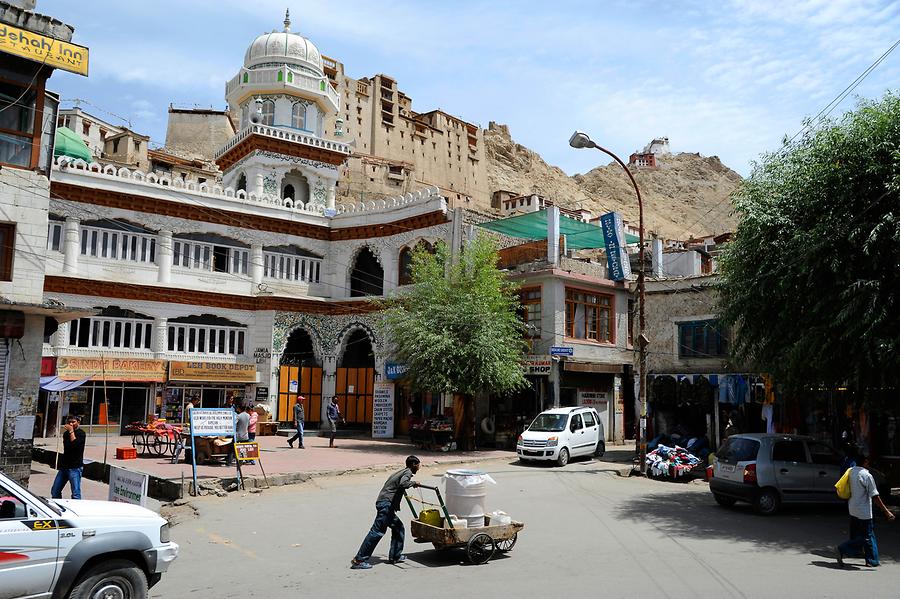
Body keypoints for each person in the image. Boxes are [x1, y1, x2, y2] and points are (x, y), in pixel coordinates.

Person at [351, 456, 421, 569]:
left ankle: (395, 556)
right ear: (413, 464)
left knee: (398, 527)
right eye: (418, 465)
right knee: (377, 531)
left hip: (384, 503)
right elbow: (403, 483)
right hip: (385, 505)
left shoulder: (401, 471)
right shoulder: (407, 472)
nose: (419, 468)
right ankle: (359, 560)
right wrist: (413, 483)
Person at [837, 454, 895, 567]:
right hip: (863, 511)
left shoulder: (851, 471)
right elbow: (875, 496)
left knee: (868, 534)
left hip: (853, 508)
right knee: (866, 537)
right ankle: (842, 548)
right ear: (866, 462)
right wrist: (886, 511)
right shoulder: (866, 475)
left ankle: (872, 560)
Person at [51, 415, 86, 500]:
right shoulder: (66, 434)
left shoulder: (81, 433)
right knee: (55, 490)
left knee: (75, 493)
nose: (71, 424)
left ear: (78, 422)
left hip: (75, 467)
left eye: (73, 422)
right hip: (64, 466)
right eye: (69, 422)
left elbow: (75, 445)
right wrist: (69, 432)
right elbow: (68, 447)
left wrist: (71, 431)